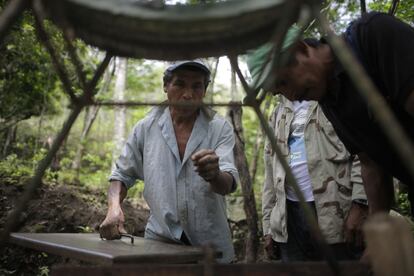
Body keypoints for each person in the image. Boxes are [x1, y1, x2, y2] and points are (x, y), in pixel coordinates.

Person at [247, 12, 414, 216]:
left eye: (284, 82)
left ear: (301, 50)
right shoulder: (329, 99)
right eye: (280, 92)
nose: (291, 96)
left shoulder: (371, 36)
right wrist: (377, 225)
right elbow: (371, 163)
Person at [99, 59, 239, 263]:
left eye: (196, 86)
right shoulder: (146, 128)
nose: (188, 94)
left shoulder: (219, 128)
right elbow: (121, 175)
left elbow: (227, 184)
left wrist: (215, 174)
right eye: (180, 84)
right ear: (166, 86)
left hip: (210, 246)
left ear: (205, 90)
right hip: (160, 242)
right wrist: (113, 208)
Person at [262, 96, 368, 262]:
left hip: (337, 211)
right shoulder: (278, 112)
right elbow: (270, 172)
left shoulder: (333, 101)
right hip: (289, 216)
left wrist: (360, 203)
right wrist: (268, 227)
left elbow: (365, 153)